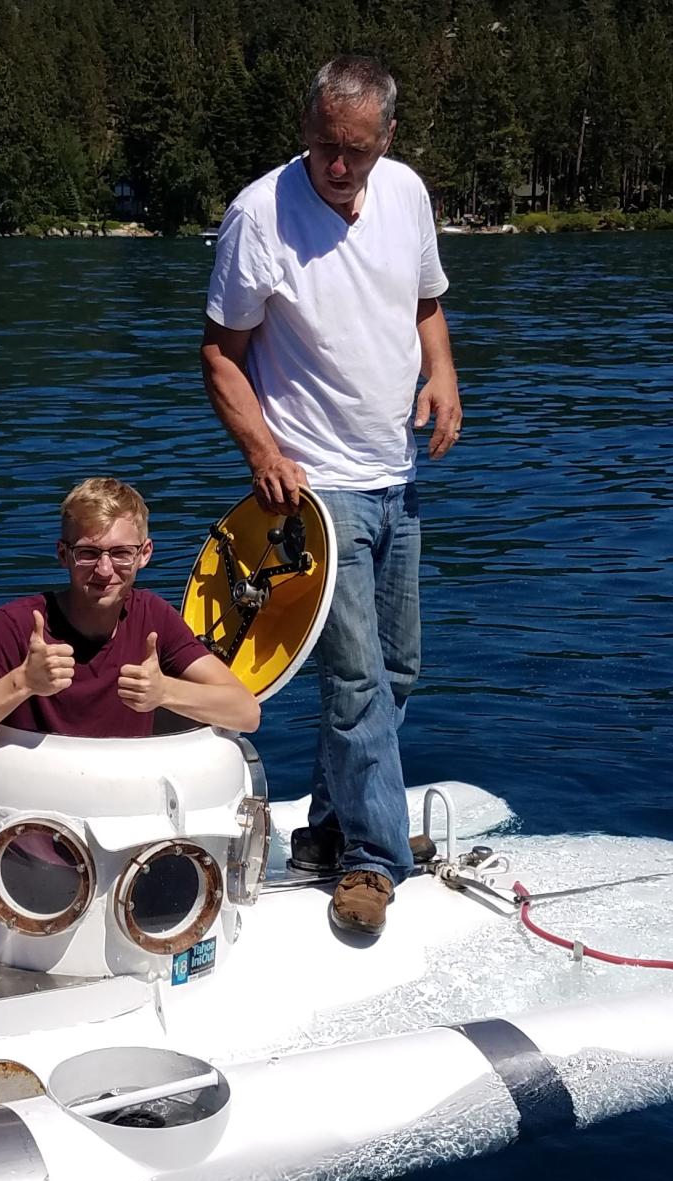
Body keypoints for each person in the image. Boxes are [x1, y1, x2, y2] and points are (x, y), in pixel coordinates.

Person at [199, 56, 463, 936]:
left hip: (397, 473)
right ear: (305, 132)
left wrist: (444, 375)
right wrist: (262, 450)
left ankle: (328, 832)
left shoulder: (408, 195)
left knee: (396, 670)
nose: (336, 167)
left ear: (387, 138)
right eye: (321, 147)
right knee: (352, 679)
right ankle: (374, 861)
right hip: (314, 491)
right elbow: (219, 353)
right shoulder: (259, 215)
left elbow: (426, 302)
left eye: (353, 150)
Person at [0, 478, 260, 765]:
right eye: (88, 553)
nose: (105, 571)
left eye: (122, 553)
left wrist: (165, 691)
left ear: (145, 555)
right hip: (30, 814)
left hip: (124, 805)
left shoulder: (153, 617)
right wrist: (22, 682)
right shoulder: (15, 626)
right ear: (63, 555)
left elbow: (246, 713)